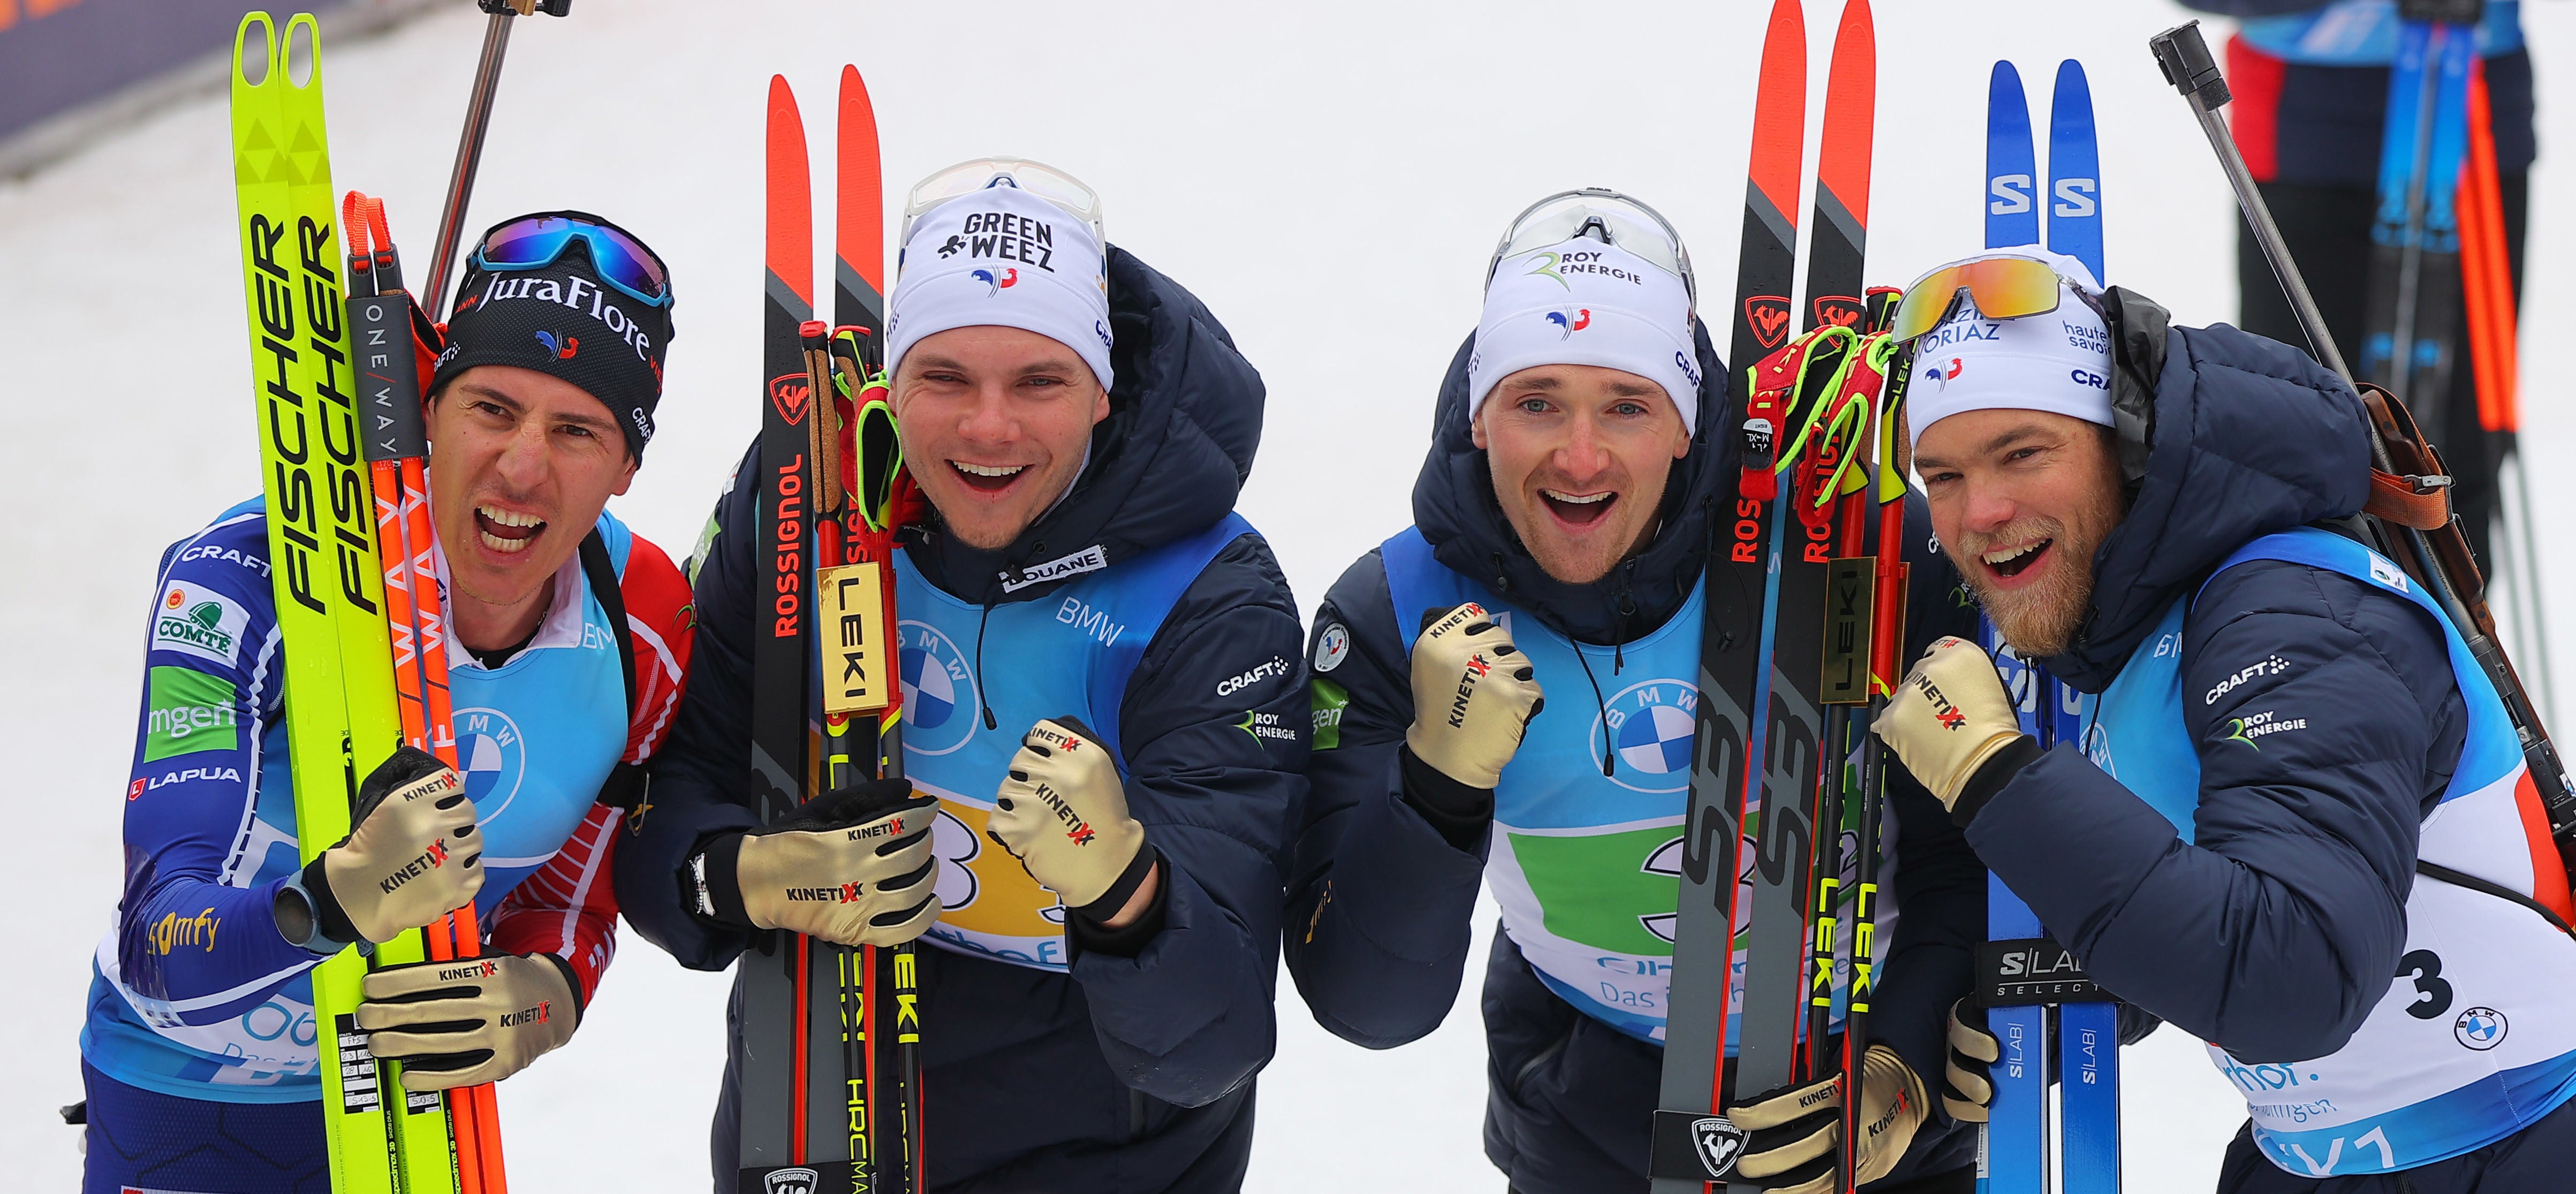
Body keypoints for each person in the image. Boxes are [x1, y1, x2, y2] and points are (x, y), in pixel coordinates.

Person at [615, 159, 1308, 1192]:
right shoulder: (802, 494)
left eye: (1039, 381)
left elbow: (1211, 1041)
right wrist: (742, 873)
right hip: (813, 1114)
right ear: (892, 380)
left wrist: (1123, 890)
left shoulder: (1205, 595)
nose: (989, 428)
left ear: (1102, 392)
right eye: (943, 378)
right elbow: (664, 794)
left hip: (1106, 1156)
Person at [1283, 190, 1983, 1193]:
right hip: (1592, 1113)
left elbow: (1969, 857)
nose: (1580, 456)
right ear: (1480, 414)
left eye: (1627, 404)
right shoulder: (1393, 611)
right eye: (1536, 402)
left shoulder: (1858, 546)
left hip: (1870, 1106)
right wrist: (1435, 789)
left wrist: (1904, 1064)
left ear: (1688, 425)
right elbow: (1369, 1006)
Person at [1871, 249, 2576, 1191]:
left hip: (2520, 1146)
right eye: (1943, 475)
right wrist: (2057, 995)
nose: (1981, 511)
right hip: (2329, 1159)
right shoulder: (2130, 617)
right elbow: (2219, 879)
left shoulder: (2291, 616)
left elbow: (2297, 972)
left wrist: (1995, 777)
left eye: (2023, 453)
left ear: (2123, 439)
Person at [78, 211, 696, 1193]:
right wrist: (334, 901)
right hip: (184, 1107)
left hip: (412, 1113)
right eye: (492, 408)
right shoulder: (244, 579)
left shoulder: (648, 621)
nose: (522, 466)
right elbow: (158, 943)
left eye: (576, 430)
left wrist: (544, 995)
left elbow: (570, 902)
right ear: (429, 410)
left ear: (626, 467)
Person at [2151, 0, 2576, 566]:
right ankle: (2299, 621)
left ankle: (2457, 631)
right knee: (2295, 453)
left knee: (2455, 464)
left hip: (2474, 143)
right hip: (2303, 147)